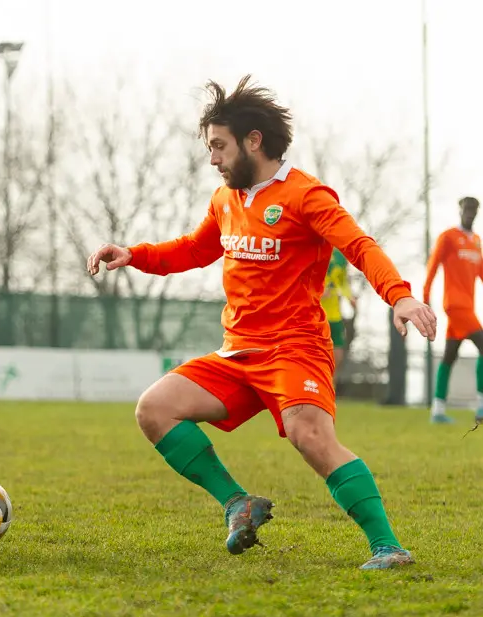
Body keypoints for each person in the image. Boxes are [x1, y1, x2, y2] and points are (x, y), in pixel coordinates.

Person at [86, 75, 436, 570]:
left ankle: (387, 546)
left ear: (254, 140)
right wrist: (134, 255)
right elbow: (194, 249)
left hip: (295, 349)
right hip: (238, 352)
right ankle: (237, 503)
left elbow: (359, 246)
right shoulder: (225, 199)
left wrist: (398, 296)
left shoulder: (306, 196)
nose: (212, 158)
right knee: (154, 409)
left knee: (309, 437)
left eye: (219, 146)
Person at [423, 196, 483, 424]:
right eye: (467, 208)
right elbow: (433, 265)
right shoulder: (448, 237)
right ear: (460, 210)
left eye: (474, 209)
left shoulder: (476, 241)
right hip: (454, 305)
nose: (470, 213)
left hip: (468, 307)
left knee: (449, 356)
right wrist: (426, 296)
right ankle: (481, 407)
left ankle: (437, 411)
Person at [322, 247, 357, 382]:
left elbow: (342, 281)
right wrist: (317, 291)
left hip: (334, 312)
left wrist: (350, 297)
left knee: (337, 349)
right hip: (314, 312)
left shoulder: (340, 255)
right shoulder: (309, 246)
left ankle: (331, 384)